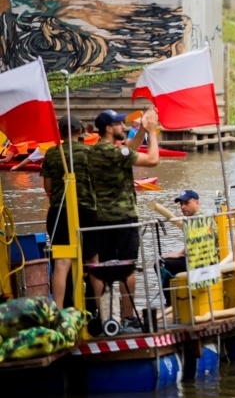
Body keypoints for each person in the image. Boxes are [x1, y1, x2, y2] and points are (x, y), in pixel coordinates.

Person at [87, 108, 160, 333]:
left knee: (107, 268)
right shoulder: (114, 153)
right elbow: (153, 159)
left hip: (103, 220)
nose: (123, 127)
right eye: (119, 124)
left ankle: (110, 316)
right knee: (127, 269)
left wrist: (141, 131)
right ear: (109, 129)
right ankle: (128, 316)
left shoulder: (98, 151)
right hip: (124, 218)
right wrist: (152, 132)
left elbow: (129, 150)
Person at [40, 116, 98, 309]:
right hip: (87, 211)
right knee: (93, 260)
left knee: (62, 262)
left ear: (60, 132)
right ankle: (102, 310)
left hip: (58, 211)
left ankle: (59, 310)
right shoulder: (88, 152)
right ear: (80, 131)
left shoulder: (52, 154)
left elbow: (47, 186)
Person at [158, 189, 202, 306]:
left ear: (197, 203)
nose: (183, 207)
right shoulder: (194, 219)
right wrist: (179, 253)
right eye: (181, 204)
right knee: (165, 261)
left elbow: (197, 245)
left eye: (187, 203)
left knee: (162, 264)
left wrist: (179, 254)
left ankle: (171, 303)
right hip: (196, 258)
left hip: (200, 261)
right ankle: (176, 299)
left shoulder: (197, 219)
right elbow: (193, 242)